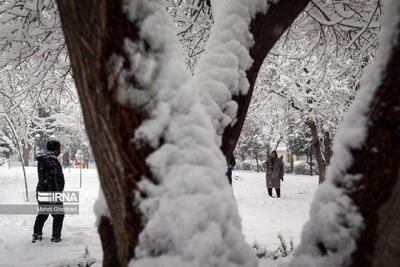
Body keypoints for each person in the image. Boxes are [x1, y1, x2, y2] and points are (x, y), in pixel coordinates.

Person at [32, 140, 65, 243]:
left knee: (43, 213)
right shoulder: (51, 160)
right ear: (56, 148)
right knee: (58, 215)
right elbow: (51, 178)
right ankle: (56, 237)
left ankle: (37, 234)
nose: (60, 150)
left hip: (42, 189)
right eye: (59, 148)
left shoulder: (44, 159)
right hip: (51, 191)